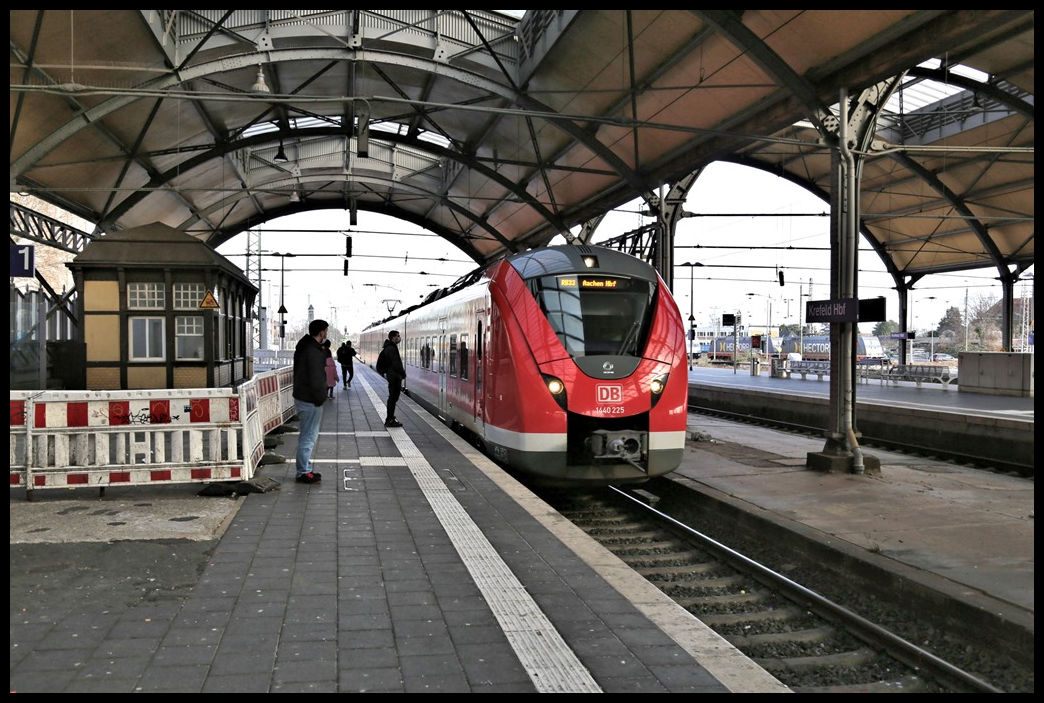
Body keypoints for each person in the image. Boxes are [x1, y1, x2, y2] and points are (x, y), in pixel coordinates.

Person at [292, 319, 329, 484]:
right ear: (321, 332)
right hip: (310, 399)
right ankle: (303, 472)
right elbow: (316, 377)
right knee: (308, 437)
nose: (326, 334)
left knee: (306, 436)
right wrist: (320, 397)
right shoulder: (312, 351)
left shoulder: (305, 347)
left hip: (303, 396)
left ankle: (305, 468)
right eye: (325, 331)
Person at [376, 330, 406, 428]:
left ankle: (390, 418)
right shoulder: (391, 348)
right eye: (398, 336)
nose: (399, 337)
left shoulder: (389, 347)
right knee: (393, 398)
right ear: (393, 337)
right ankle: (389, 419)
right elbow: (396, 363)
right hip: (394, 376)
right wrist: (402, 373)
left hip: (392, 375)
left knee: (393, 398)